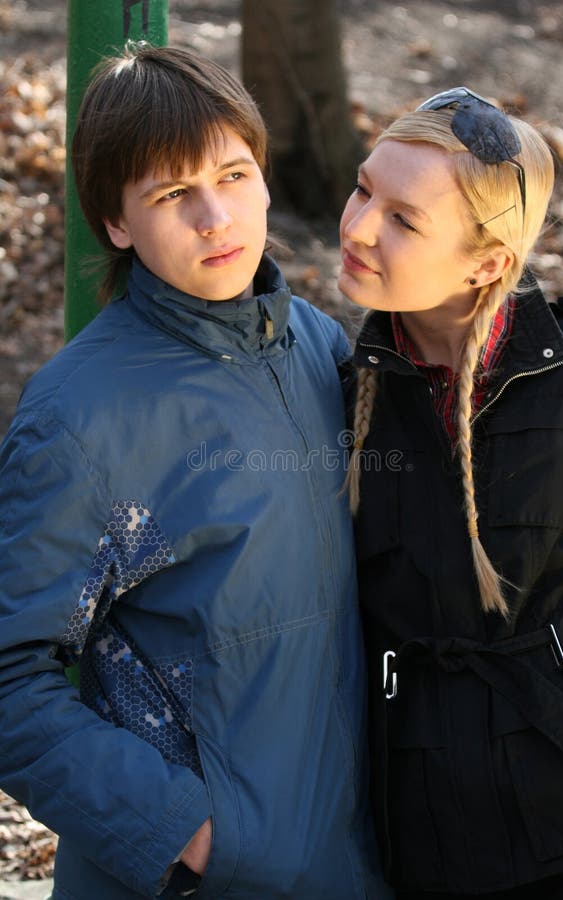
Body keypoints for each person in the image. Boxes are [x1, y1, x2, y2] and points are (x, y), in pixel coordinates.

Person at [0, 43, 391, 900]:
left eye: (234, 173)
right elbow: (9, 679)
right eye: (173, 194)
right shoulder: (79, 418)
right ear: (115, 222)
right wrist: (183, 833)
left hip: (353, 860)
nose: (216, 216)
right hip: (207, 876)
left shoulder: (317, 346)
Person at [339, 86, 563, 898]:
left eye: (404, 221)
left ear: (487, 262)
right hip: (415, 842)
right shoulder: (337, 398)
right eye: (363, 188)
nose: (355, 228)